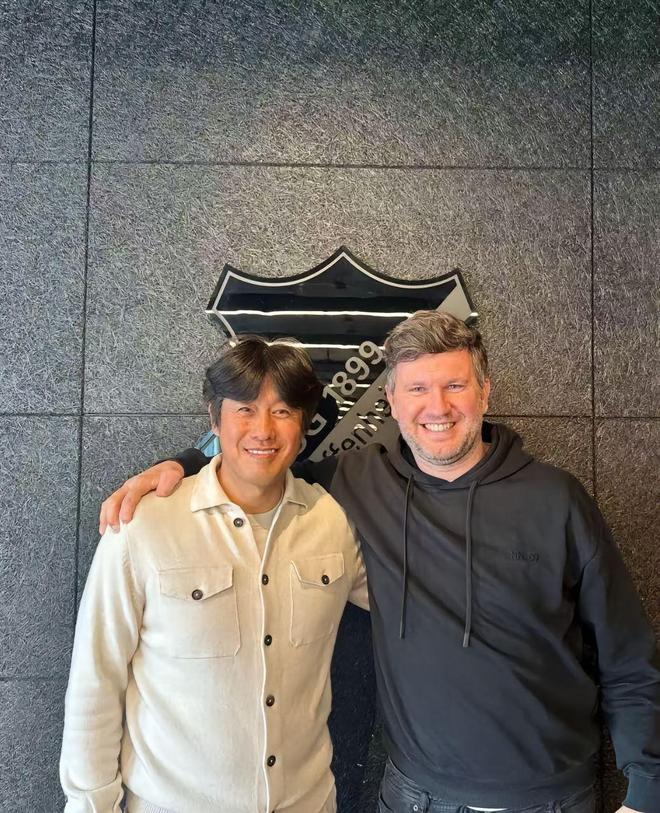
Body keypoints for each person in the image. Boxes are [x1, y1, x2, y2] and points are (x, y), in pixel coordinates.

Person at [101, 312, 660, 813]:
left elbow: (628, 654)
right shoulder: (355, 481)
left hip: (549, 797)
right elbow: (258, 457)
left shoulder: (557, 499)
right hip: (412, 793)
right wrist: (182, 463)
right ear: (390, 400)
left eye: (454, 385)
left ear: (484, 392)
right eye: (417, 388)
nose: (437, 407)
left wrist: (648, 787)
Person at [61, 337, 368, 813]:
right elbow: (96, 678)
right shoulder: (144, 526)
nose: (263, 430)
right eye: (245, 409)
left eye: (283, 411)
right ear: (214, 418)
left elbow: (409, 602)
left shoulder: (332, 521)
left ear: (304, 424)